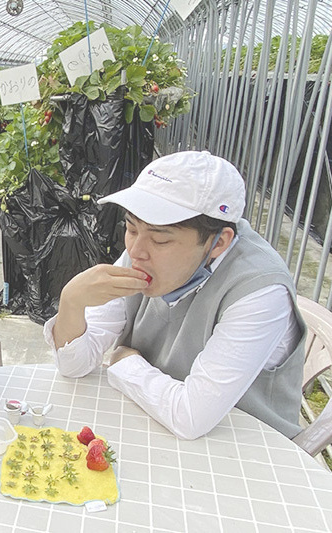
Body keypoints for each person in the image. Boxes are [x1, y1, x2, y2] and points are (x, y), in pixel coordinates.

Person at [45, 151, 306, 440]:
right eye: (131, 228)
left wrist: (124, 363)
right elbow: (74, 365)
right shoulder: (141, 255)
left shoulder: (259, 292)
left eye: (160, 239)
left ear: (218, 242)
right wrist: (72, 301)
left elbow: (191, 417)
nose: (136, 251)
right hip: (157, 425)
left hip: (250, 451)